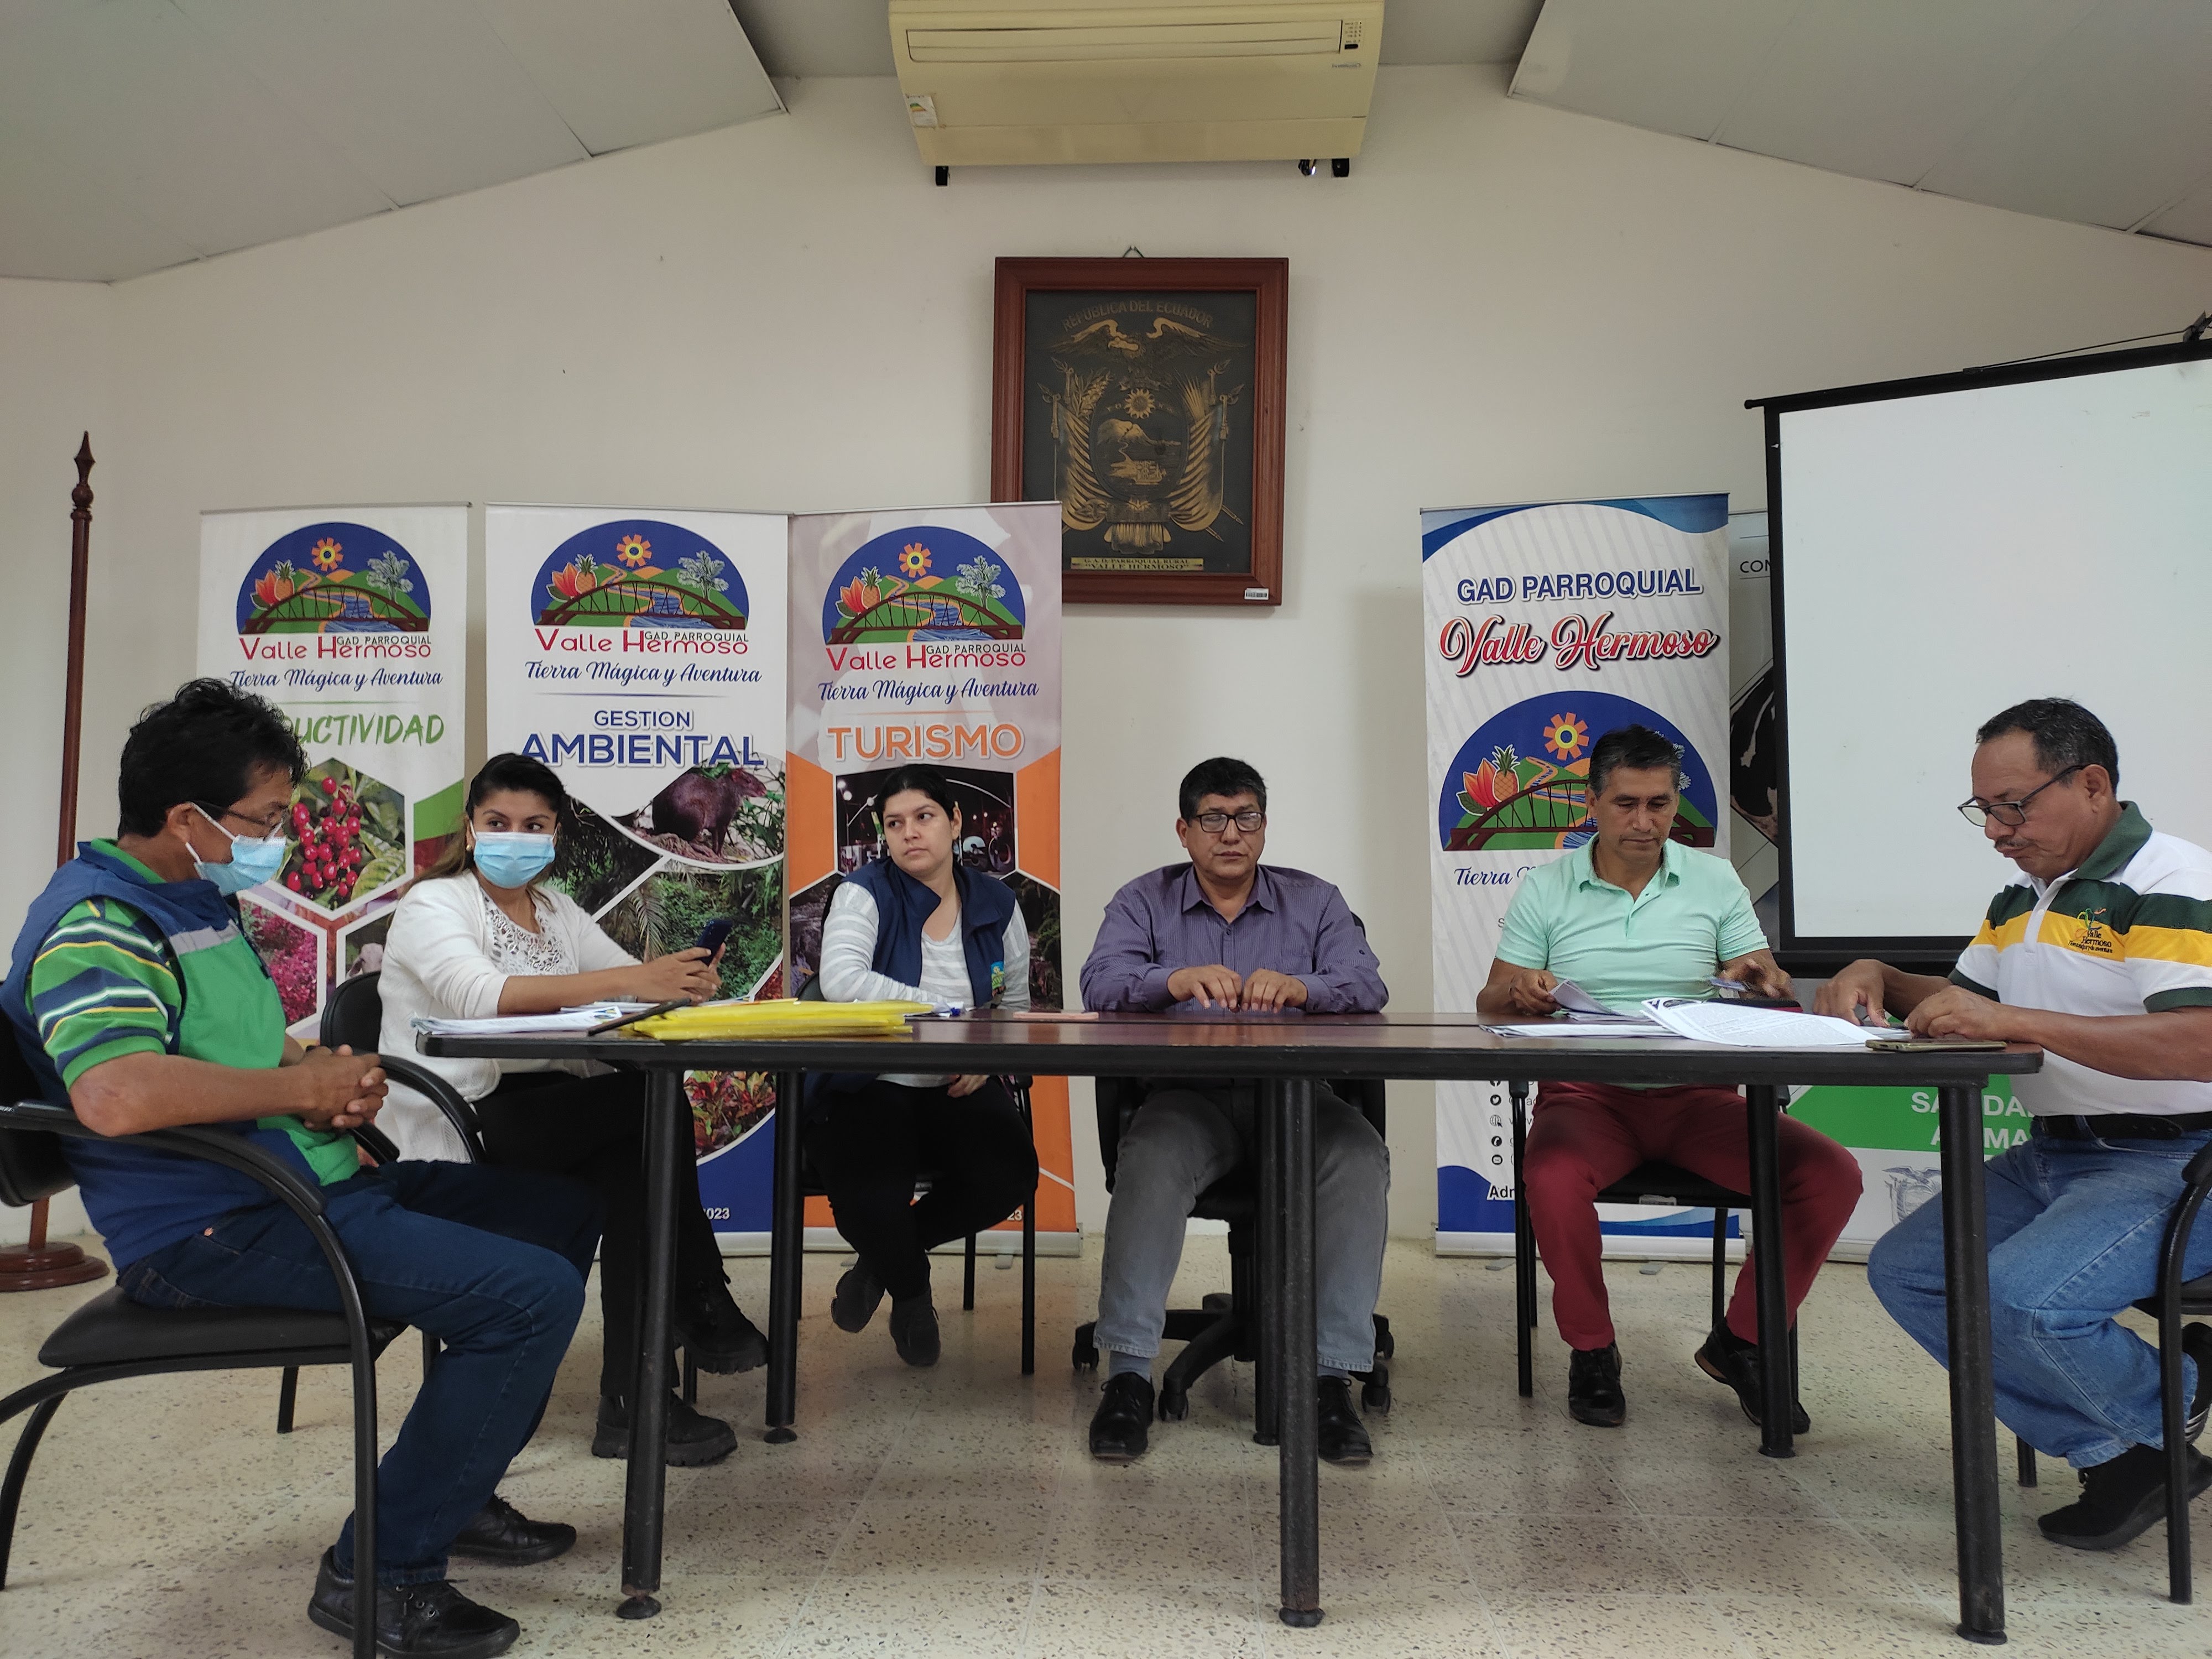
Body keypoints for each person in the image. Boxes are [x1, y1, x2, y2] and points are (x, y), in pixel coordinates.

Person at [1, 681, 598, 1659]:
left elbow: (232, 1042)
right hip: (213, 1229)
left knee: (557, 1214)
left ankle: (454, 1489)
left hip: (303, 1185)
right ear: (186, 818)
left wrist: (322, 1076)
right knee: (528, 1298)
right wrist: (295, 1091)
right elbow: (115, 1092)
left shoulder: (192, 897)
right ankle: (383, 1572)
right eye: (266, 819)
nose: (277, 838)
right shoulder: (97, 923)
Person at [1822, 698, 2212, 1552]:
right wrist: (1877, 973)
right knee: (1911, 1273)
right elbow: (1970, 1002)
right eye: (1984, 811)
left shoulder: (2171, 883)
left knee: (2019, 1298)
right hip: (2055, 1152)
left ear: (2093, 785)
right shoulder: (2024, 895)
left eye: (2014, 806)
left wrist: (2017, 1023)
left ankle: (2175, 1393)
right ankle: (2125, 1456)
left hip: (2178, 1159)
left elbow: (2200, 1043)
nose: (1997, 831)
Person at [379, 752, 765, 1467]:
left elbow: (628, 987)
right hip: (468, 1112)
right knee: (644, 1107)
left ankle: (635, 1402)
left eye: (534, 825)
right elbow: (480, 996)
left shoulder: (557, 912)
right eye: (498, 822)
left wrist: (678, 981)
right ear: (470, 828)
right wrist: (636, 979)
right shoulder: (433, 905)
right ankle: (700, 1299)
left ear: (555, 835)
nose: (514, 837)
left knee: (631, 1162)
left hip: (551, 1112)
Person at [1477, 723, 1861, 1431]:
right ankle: (1592, 1350)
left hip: (1699, 1098)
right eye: (1626, 804)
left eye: (1659, 804)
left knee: (1829, 1174)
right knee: (1552, 1178)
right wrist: (1521, 992)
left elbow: (1761, 979)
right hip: (1587, 1099)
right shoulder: (1547, 887)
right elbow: (1489, 1002)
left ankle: (1741, 1341)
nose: (1644, 822)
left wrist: (1760, 979)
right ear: (1591, 803)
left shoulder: (1713, 880)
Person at [1079, 757, 1390, 1465]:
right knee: (1150, 1157)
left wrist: (1306, 989)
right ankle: (1127, 1377)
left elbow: (1366, 983)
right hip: (1189, 1099)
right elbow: (1099, 981)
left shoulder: (1315, 901)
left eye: (1246, 818)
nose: (1231, 834)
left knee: (1358, 1155)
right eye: (1214, 819)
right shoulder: (1143, 901)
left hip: (1297, 1098)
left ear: (1264, 826)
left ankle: (1330, 1381)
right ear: (1184, 831)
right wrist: (1170, 980)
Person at [809, 764, 1037, 1368]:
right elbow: (841, 980)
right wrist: (944, 1009)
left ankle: (879, 1264)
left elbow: (1013, 1006)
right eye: (894, 823)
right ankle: (912, 1294)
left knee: (1010, 1175)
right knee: (869, 1198)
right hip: (871, 1080)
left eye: (924, 817)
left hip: (959, 1080)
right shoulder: (863, 891)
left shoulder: (997, 902)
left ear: (955, 821)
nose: (909, 832)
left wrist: (988, 1056)